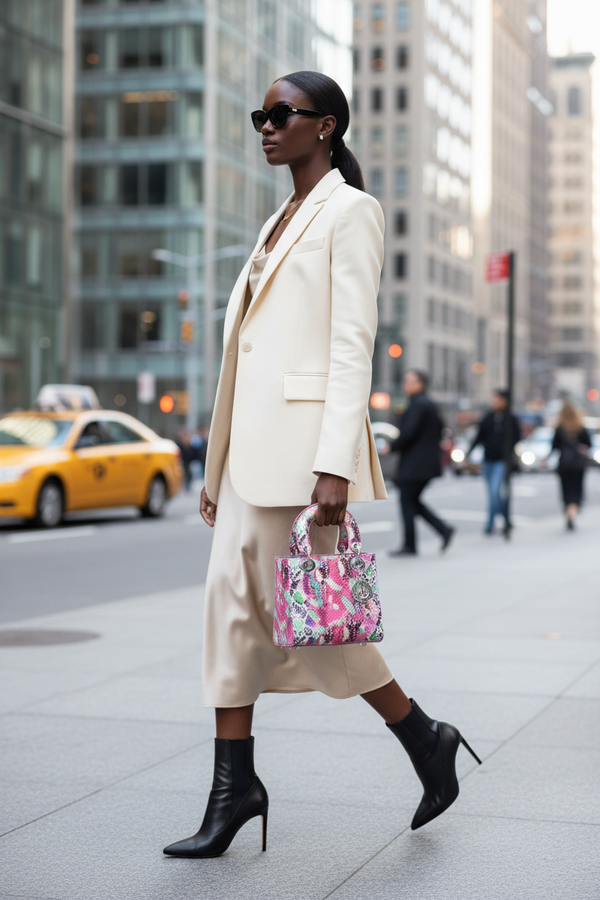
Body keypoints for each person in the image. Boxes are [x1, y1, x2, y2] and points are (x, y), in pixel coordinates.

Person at [162, 71, 480, 860]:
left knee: (320, 621)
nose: (266, 127)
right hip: (247, 460)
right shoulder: (277, 218)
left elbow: (350, 347)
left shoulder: (351, 211)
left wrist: (335, 463)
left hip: (303, 459)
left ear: (326, 126)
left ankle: (423, 736)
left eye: (282, 115)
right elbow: (246, 355)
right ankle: (237, 788)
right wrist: (216, 464)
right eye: (260, 115)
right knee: (231, 620)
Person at [388, 370, 454, 556]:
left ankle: (410, 545)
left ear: (420, 384)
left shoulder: (418, 404)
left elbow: (409, 432)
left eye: (409, 381)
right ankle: (443, 530)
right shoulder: (428, 404)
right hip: (424, 464)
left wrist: (392, 446)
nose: (405, 385)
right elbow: (440, 429)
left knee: (407, 501)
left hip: (415, 465)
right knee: (412, 501)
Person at [468, 389, 521, 535]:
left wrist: (507, 449)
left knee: (494, 491)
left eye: (498, 399)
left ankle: (490, 524)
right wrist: (469, 452)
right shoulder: (488, 417)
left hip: (501, 460)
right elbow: (479, 436)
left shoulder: (510, 418)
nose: (495, 402)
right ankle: (506, 518)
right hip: (488, 459)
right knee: (492, 493)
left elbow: (517, 437)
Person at [552, 401, 591, 530]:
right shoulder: (580, 427)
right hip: (578, 465)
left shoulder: (560, 428)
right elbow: (589, 444)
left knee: (566, 489)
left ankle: (569, 510)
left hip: (564, 464)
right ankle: (573, 510)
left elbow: (554, 447)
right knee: (577, 489)